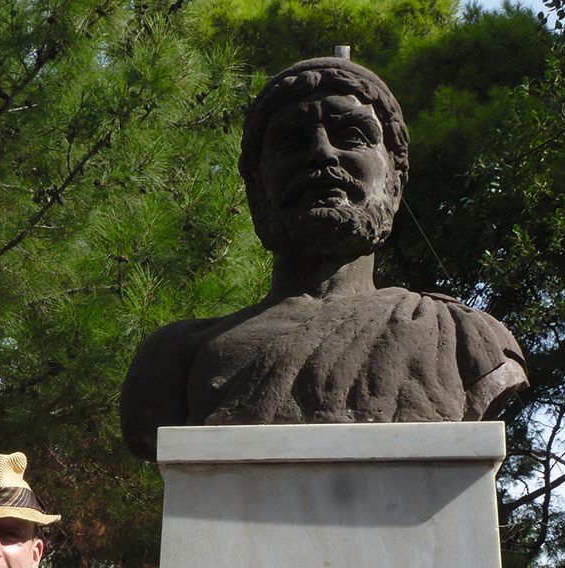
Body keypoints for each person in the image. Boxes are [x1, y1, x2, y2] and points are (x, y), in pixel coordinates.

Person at [119, 56, 528, 460]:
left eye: (351, 135)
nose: (321, 154)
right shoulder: (175, 357)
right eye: (290, 143)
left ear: (395, 179)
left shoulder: (466, 339)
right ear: (255, 185)